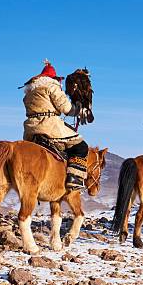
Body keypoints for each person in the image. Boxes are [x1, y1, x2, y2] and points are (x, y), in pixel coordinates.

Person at [22, 59, 90, 191]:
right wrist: (79, 110)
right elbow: (66, 108)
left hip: (30, 130)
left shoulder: (29, 92)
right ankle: (73, 179)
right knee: (81, 147)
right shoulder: (51, 86)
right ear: (53, 78)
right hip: (49, 127)